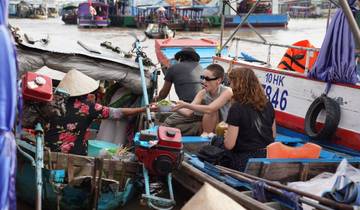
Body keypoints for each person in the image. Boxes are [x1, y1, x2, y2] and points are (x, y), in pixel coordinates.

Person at [44, 70, 156, 155]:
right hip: (73, 151)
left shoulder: (50, 103)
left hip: (46, 148)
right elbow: (118, 112)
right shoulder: (88, 107)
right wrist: (143, 109)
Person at [223, 67, 276, 172]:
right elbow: (273, 135)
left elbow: (229, 145)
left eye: (231, 83)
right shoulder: (268, 105)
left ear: (237, 86)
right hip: (265, 157)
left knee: (217, 141)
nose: (230, 86)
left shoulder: (236, 108)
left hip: (243, 162)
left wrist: (226, 137)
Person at [170, 64, 232, 136]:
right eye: (202, 77)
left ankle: (207, 136)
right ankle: (205, 135)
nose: (203, 81)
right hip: (209, 127)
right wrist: (171, 106)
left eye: (207, 79)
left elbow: (210, 109)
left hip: (224, 129)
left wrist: (185, 104)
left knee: (211, 110)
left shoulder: (227, 91)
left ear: (218, 80)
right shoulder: (202, 93)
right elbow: (188, 112)